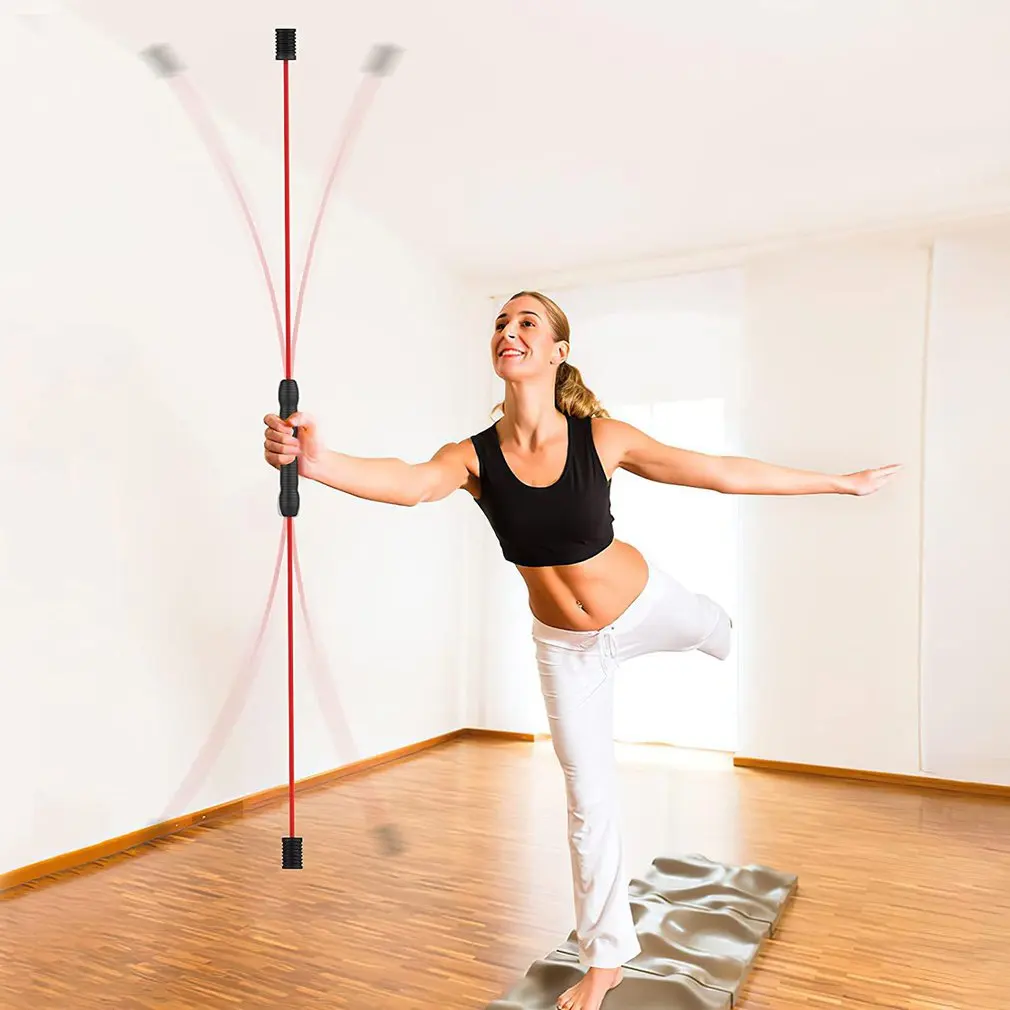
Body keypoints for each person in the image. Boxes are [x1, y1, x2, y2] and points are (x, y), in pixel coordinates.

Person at [262, 290, 901, 1010]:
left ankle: (716, 626)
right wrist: (317, 462)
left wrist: (837, 483)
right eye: (500, 323)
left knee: (711, 630)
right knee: (588, 804)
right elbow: (410, 483)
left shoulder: (602, 438)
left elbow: (718, 470)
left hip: (647, 607)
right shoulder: (473, 456)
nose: (508, 331)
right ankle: (606, 962)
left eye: (526, 322)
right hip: (567, 649)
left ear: (558, 351)